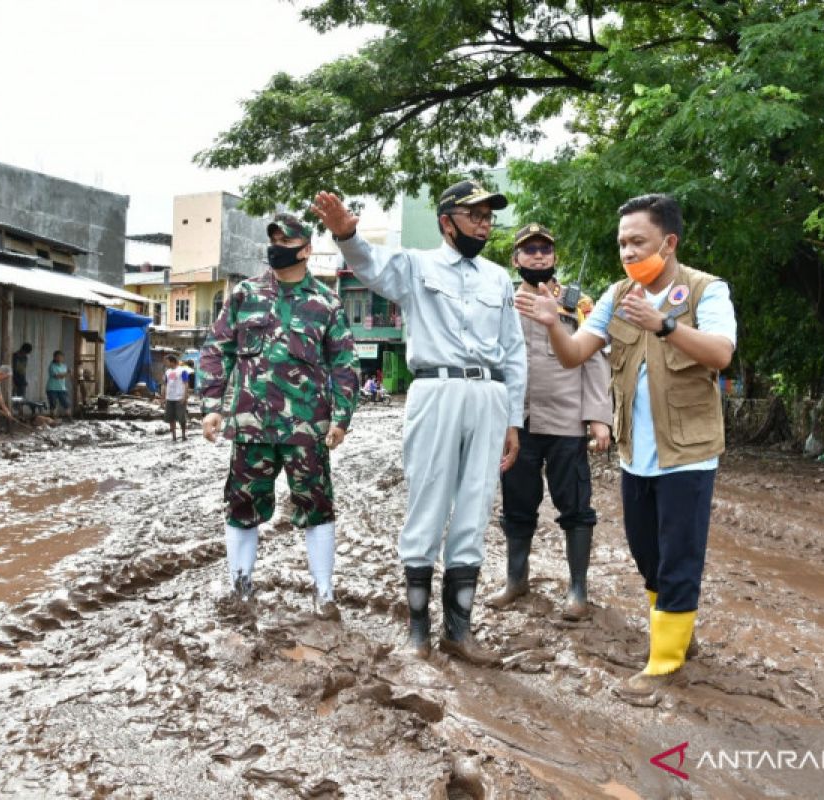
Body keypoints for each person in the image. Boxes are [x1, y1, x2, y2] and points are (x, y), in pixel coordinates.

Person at [515, 193, 736, 701]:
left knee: (680, 555)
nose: (628, 252)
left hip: (688, 452)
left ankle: (664, 662)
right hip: (637, 455)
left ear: (669, 241)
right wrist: (553, 322)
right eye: (622, 244)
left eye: (638, 241)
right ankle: (679, 633)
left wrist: (665, 325)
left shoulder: (705, 291)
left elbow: (722, 354)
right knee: (647, 555)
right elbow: (573, 356)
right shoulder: (615, 295)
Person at [312, 180, 527, 665]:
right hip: (436, 389)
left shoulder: (498, 279)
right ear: (447, 221)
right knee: (427, 504)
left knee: (474, 509)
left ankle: (459, 632)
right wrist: (347, 236)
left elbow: (514, 352)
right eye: (475, 215)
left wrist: (514, 418)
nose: (485, 223)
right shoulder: (417, 265)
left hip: (489, 395)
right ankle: (417, 634)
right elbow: (372, 266)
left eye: (489, 215)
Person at [199, 212, 358, 621]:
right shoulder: (244, 296)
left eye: (285, 243)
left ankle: (324, 593)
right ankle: (241, 586)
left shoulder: (326, 302)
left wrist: (342, 417)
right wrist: (212, 406)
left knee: (317, 506)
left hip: (308, 430)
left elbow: (343, 363)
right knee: (242, 505)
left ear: (306, 250)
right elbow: (217, 350)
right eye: (272, 241)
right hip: (251, 427)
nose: (276, 249)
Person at [488, 223, 613, 621]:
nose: (538, 255)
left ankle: (578, 589)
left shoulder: (577, 304)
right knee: (517, 504)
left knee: (575, 506)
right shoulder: (501, 300)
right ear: (516, 259)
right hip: (515, 421)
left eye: (545, 249)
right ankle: (516, 580)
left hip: (565, 419)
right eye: (529, 250)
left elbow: (594, 361)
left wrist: (598, 419)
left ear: (555, 257)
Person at [161, 354, 191, 442]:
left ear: (172, 361)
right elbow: (165, 384)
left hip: (179, 398)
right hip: (169, 398)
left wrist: (185, 397)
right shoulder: (167, 371)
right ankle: (173, 436)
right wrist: (163, 396)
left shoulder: (182, 371)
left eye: (167, 361)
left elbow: (186, 384)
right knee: (170, 418)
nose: (166, 363)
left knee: (181, 418)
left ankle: (183, 435)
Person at [46, 350, 71, 418]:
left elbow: (66, 375)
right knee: (53, 403)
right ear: (54, 358)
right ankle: (52, 416)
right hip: (52, 388)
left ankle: (68, 416)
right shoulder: (52, 366)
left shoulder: (64, 366)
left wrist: (69, 374)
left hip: (62, 388)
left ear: (63, 358)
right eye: (57, 357)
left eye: (61, 357)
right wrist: (67, 373)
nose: (59, 358)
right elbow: (57, 376)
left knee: (66, 403)